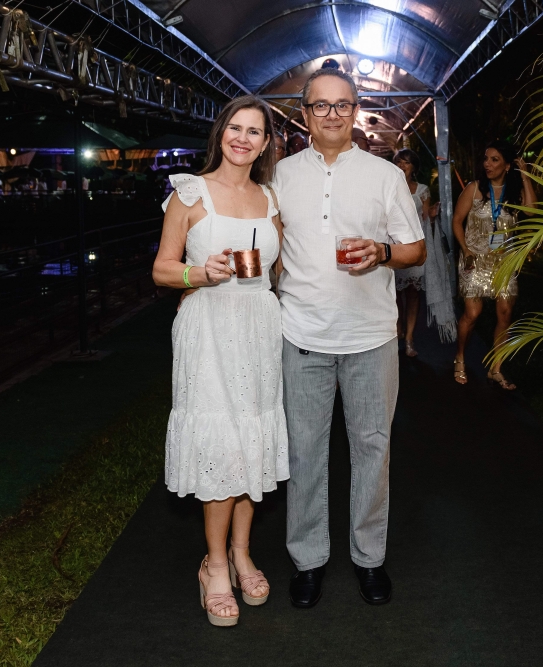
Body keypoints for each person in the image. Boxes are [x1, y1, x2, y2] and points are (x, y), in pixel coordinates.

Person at [274, 68, 426, 609]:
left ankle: (369, 558)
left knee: (372, 450)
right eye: (321, 105)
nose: (332, 114)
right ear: (305, 114)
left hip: (371, 338)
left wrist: (382, 252)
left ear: (356, 110)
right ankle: (308, 560)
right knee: (304, 454)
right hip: (302, 335)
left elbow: (415, 250)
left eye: (342, 104)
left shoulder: (384, 175)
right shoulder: (281, 175)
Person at [152, 95, 287, 628]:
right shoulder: (189, 193)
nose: (243, 138)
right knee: (222, 444)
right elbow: (162, 269)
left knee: (251, 439)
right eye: (235, 127)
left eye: (254, 131)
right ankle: (213, 565)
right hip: (207, 326)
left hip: (259, 327)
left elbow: (279, 271)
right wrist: (198, 275)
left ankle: (241, 553)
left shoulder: (271, 199)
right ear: (220, 133)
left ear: (266, 143)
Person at [452, 141, 537, 387]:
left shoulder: (514, 193)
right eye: (486, 159)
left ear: (508, 166)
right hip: (474, 259)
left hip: (504, 262)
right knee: (472, 313)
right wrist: (465, 249)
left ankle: (496, 368)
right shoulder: (474, 188)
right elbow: (457, 221)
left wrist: (526, 176)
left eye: (494, 159)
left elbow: (532, 211)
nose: (487, 164)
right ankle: (460, 357)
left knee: (505, 313)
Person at [391, 149, 429, 357]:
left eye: (406, 162)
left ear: (413, 167)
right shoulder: (389, 187)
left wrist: (433, 215)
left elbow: (426, 220)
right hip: (395, 245)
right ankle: (398, 327)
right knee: (395, 291)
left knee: (413, 292)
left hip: (415, 246)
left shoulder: (422, 190)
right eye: (399, 161)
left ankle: (410, 337)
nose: (402, 165)